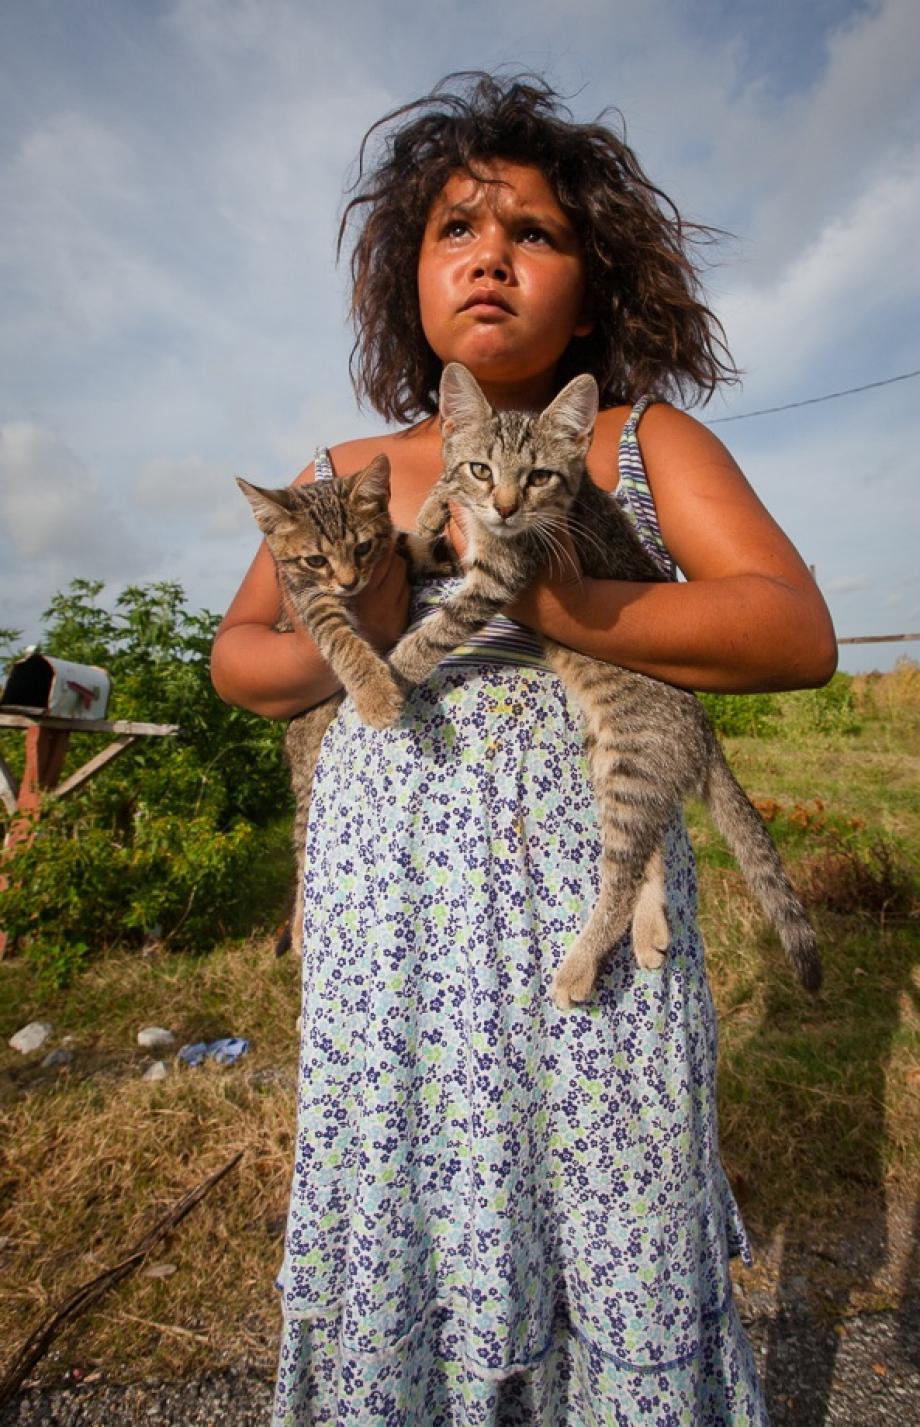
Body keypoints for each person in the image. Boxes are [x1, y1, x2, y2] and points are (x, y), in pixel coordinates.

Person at [212, 73, 836, 1427]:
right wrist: (356, 628)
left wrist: (560, 598)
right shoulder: (351, 461)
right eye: (456, 230)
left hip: (590, 946)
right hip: (396, 947)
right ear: (407, 278)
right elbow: (240, 662)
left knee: (619, 1217)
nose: (491, 255)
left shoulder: (642, 444)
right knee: (408, 1226)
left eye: (535, 233)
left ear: (598, 284)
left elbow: (793, 631)